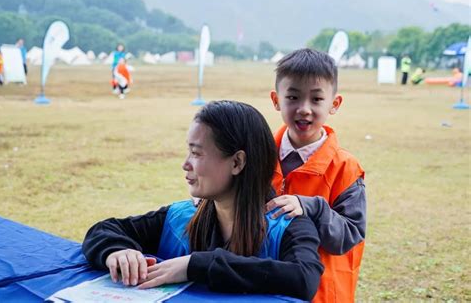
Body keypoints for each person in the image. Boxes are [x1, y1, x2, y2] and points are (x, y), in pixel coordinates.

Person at [83, 100, 324, 301]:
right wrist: (118, 251)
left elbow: (304, 279)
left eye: (197, 153)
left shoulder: (289, 225)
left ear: (237, 162)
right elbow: (104, 230)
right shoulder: (180, 218)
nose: (185, 164)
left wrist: (196, 266)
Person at [266, 48, 366, 302]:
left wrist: (312, 208)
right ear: (276, 100)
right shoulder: (260, 158)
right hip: (265, 288)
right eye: (293, 97)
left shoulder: (345, 168)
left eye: (317, 99)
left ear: (335, 104)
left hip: (322, 293)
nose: (304, 109)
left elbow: (349, 236)